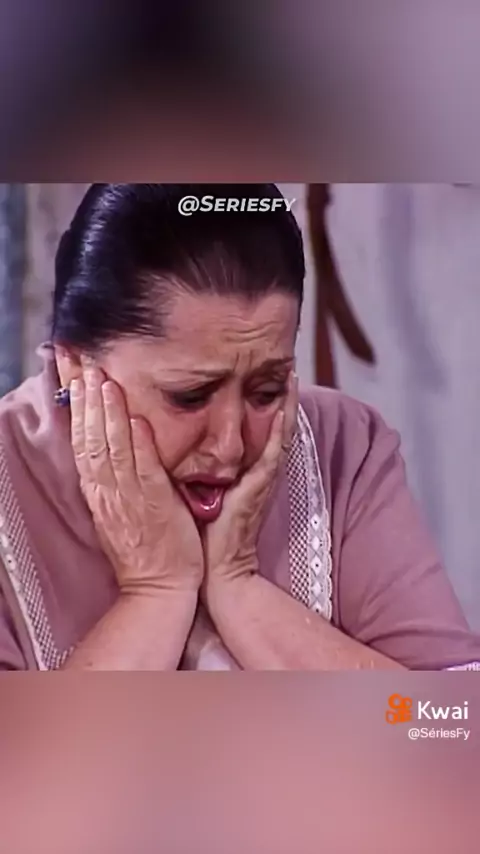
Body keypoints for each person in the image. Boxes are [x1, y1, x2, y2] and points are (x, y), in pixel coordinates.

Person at [0, 183, 478, 671]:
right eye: (189, 396)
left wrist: (239, 588)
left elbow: (448, 715)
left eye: (265, 391)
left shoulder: (342, 448)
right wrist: (156, 591)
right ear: (75, 365)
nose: (230, 447)